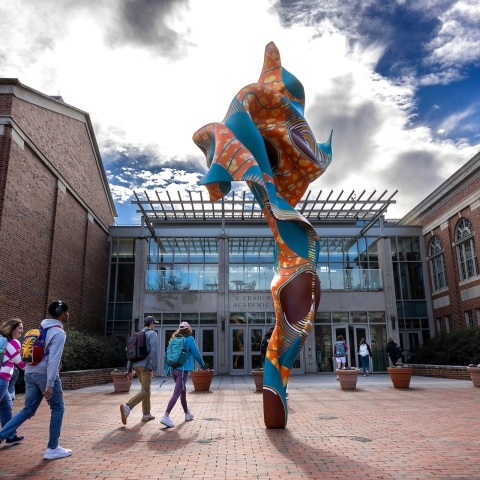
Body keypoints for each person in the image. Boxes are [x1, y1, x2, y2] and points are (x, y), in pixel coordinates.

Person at [0, 301, 71, 460]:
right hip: (44, 374)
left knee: (27, 410)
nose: (68, 315)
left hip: (30, 372)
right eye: (67, 312)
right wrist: (50, 384)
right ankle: (52, 448)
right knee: (58, 408)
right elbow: (53, 360)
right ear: (60, 313)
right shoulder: (58, 333)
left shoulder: (40, 328)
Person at [160, 321, 205, 428]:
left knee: (182, 391)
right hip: (182, 371)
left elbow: (168, 354)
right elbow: (196, 353)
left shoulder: (174, 340)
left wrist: (167, 370)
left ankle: (187, 414)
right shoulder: (189, 339)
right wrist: (202, 364)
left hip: (174, 370)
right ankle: (165, 416)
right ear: (188, 329)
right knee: (176, 394)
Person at [120, 316, 158, 425]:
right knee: (145, 390)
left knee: (145, 389)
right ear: (151, 324)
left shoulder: (136, 335)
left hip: (136, 366)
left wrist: (129, 370)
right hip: (146, 366)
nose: (154, 326)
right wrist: (155, 368)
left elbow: (130, 354)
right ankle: (128, 407)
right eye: (154, 324)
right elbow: (154, 351)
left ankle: (146, 414)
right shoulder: (152, 334)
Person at [0, 318, 27, 446]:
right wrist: (35, 369)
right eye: (20, 328)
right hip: (2, 380)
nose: (22, 330)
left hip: (3, 381)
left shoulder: (4, 342)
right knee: (6, 408)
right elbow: (21, 363)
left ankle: (10, 436)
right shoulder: (14, 343)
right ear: (13, 329)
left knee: (6, 408)